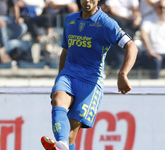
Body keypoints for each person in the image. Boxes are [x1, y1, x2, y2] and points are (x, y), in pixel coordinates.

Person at [40, 0, 138, 150]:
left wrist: (123, 73)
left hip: (91, 82)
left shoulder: (107, 23)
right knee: (57, 100)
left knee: (72, 131)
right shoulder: (70, 19)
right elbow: (65, 51)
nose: (87, 1)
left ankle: (64, 144)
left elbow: (131, 46)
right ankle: (61, 144)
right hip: (68, 74)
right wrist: (59, 79)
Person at [139, 0, 165, 79]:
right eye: (160, 7)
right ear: (155, 8)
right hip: (151, 53)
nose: (163, 10)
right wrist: (150, 51)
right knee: (155, 61)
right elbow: (143, 34)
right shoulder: (148, 19)